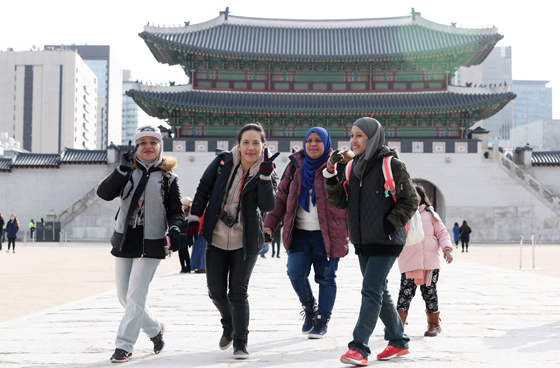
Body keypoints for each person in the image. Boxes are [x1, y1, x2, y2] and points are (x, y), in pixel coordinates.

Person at [324, 117, 419, 365]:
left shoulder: (393, 165)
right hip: (363, 241)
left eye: (359, 136)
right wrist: (331, 175)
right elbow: (340, 203)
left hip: (387, 240)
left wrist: (388, 224)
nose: (353, 140)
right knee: (380, 290)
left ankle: (359, 348)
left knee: (370, 290)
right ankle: (399, 341)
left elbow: (411, 200)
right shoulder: (353, 167)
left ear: (372, 137)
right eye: (351, 135)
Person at [188, 123, 278, 359]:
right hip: (216, 236)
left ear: (264, 146)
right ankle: (229, 323)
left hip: (245, 241)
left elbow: (268, 205)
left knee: (238, 292)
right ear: (238, 144)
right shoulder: (222, 162)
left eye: (256, 142)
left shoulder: (268, 170)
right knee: (215, 292)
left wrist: (266, 177)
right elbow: (204, 188)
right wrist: (194, 217)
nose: (251, 147)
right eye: (246, 142)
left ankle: (241, 342)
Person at [96, 125, 184, 363]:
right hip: (126, 239)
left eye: (153, 142)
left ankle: (124, 345)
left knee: (135, 297)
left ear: (160, 147)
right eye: (142, 142)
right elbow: (103, 193)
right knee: (124, 297)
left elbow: (176, 211)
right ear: (136, 146)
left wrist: (175, 229)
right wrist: (121, 170)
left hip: (152, 242)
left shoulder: (168, 178)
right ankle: (155, 330)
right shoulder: (126, 171)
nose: (147, 146)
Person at [264, 127, 349, 339]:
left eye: (318, 140)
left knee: (326, 277)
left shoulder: (339, 165)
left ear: (327, 143)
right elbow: (281, 199)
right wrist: (269, 225)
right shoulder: (294, 166)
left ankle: (323, 318)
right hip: (299, 232)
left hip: (328, 234)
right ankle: (310, 308)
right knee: (295, 272)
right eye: (309, 140)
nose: (313, 144)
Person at [396, 184, 453, 337]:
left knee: (430, 293)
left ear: (421, 196)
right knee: (405, 293)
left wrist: (447, 249)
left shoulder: (431, 214)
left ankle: (434, 324)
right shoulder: (402, 213)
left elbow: (442, 233)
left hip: (429, 263)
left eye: (416, 194)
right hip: (410, 261)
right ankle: (396, 325)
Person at [179, 197, 193, 273]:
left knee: (184, 249)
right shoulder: (181, 214)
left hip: (186, 236)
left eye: (185, 205)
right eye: (183, 205)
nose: (184, 207)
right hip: (180, 235)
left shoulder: (190, 215)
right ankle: (182, 267)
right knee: (180, 251)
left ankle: (188, 266)